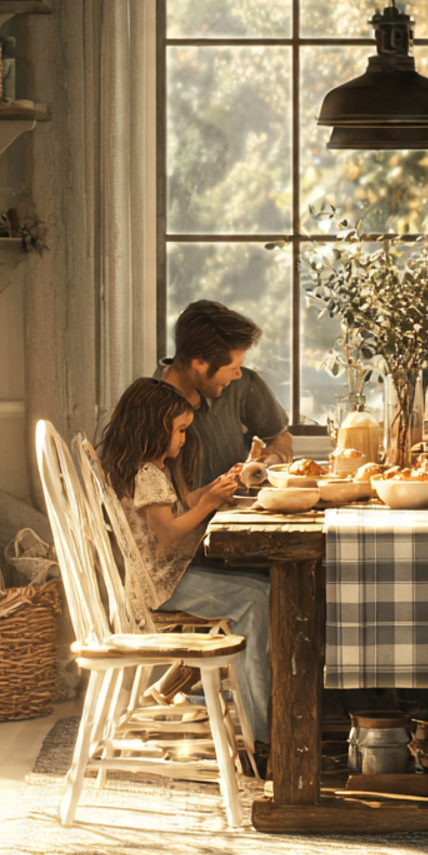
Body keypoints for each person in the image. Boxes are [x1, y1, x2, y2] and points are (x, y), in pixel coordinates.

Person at [98, 377, 271, 744]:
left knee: (260, 588)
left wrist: (212, 489)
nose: (183, 439)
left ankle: (252, 709)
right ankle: (261, 731)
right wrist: (209, 504)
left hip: (163, 577)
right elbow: (170, 534)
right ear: (152, 429)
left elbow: (177, 510)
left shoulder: (146, 468)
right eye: (179, 431)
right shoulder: (147, 473)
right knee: (258, 598)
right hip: (160, 584)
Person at [158, 300, 293, 485]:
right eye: (232, 367)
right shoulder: (148, 406)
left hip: (240, 510)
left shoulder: (243, 384)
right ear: (200, 363)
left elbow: (280, 437)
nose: (238, 374)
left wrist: (267, 464)